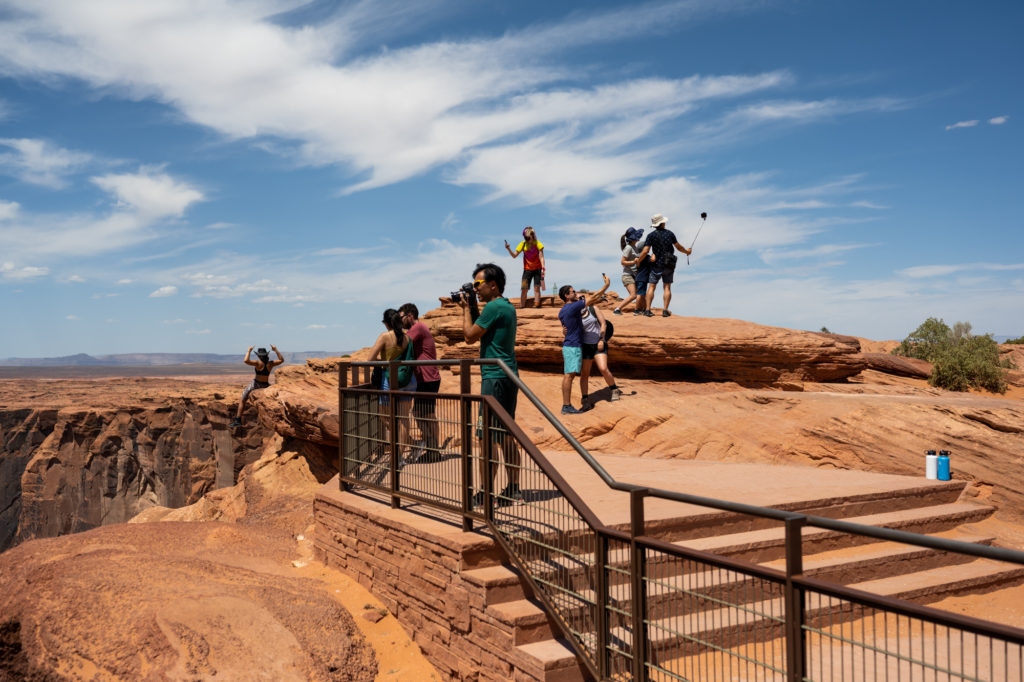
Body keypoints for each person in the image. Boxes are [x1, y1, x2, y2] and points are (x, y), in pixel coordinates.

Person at [456, 263, 523, 507]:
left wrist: (465, 309)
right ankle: (513, 489)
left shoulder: (494, 306)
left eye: (478, 284)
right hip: (508, 374)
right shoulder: (505, 306)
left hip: (494, 377)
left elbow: (469, 336)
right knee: (505, 436)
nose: (475, 289)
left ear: (492, 285)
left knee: (486, 438)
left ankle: (485, 493)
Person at [399, 302, 448, 460]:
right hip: (426, 378)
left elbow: (401, 345)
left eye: (401, 318)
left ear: (410, 316)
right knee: (425, 413)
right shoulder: (418, 328)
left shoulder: (417, 328)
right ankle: (433, 449)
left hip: (428, 378)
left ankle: (433, 451)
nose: (400, 322)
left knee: (424, 413)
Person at [557, 275, 610, 414]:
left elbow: (566, 328)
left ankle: (566, 405)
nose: (575, 293)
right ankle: (566, 406)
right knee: (569, 375)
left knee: (570, 374)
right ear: (567, 296)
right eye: (573, 291)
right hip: (573, 346)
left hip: (570, 345)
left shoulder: (562, 311)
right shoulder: (573, 307)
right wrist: (606, 286)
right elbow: (593, 299)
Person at [368, 308, 417, 458]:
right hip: (407, 379)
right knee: (403, 418)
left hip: (389, 380)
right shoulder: (407, 338)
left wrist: (384, 361)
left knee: (385, 416)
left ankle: (400, 453)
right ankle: (401, 455)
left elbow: (369, 360)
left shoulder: (385, 336)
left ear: (386, 323)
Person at [636, 213, 692, 317]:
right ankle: (665, 310)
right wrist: (687, 252)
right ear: (662, 223)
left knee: (652, 286)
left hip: (656, 264)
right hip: (669, 264)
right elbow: (678, 247)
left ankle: (647, 310)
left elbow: (645, 251)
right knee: (667, 287)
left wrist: (639, 261)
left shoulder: (651, 236)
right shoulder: (670, 234)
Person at [580, 302, 622, 408]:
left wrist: (602, 339)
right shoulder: (574, 314)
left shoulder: (593, 309)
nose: (580, 300)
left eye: (582, 298)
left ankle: (614, 389)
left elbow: (603, 323)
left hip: (599, 343)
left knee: (603, 368)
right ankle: (585, 398)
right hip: (585, 346)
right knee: (585, 374)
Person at [230, 344, 284, 428]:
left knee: (242, 399)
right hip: (265, 385)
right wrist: (276, 350)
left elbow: (246, 361)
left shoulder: (258, 363)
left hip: (256, 384)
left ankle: (238, 420)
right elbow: (281, 360)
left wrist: (249, 351)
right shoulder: (271, 363)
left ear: (259, 355)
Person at [504, 226, 545, 309]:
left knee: (537, 287)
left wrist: (543, 268)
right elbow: (514, 255)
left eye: (529, 236)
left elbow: (541, 256)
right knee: (524, 288)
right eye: (526, 237)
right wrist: (508, 249)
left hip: (538, 269)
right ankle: (522, 306)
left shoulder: (537, 243)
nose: (528, 239)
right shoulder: (522, 244)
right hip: (527, 270)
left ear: (533, 235)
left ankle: (537, 305)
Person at [613, 227, 645, 315]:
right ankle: (617, 309)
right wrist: (633, 262)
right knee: (633, 295)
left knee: (641, 294)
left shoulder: (634, 247)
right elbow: (622, 262)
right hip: (627, 275)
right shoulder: (628, 248)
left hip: (634, 275)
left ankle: (643, 310)